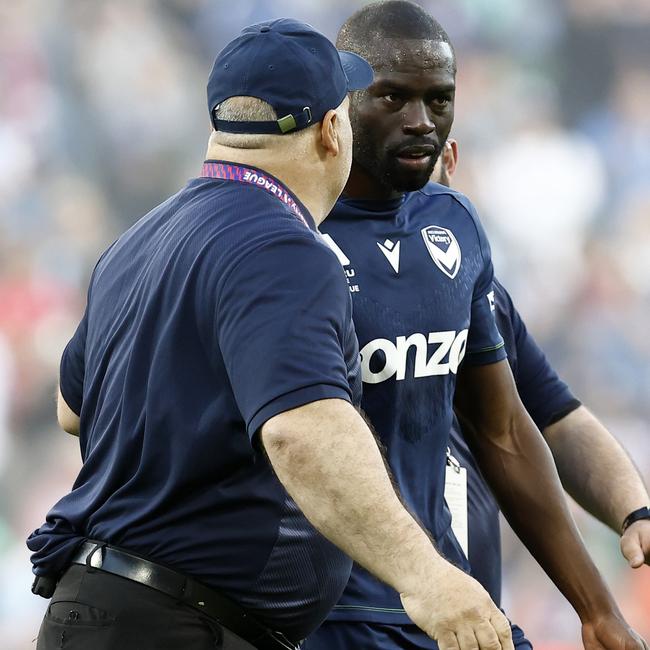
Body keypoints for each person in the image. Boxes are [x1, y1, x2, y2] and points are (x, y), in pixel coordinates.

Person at [25, 19, 497, 650]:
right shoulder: (285, 246)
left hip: (97, 606)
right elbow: (301, 429)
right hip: (178, 624)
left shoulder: (140, 238)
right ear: (334, 130)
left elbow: (71, 407)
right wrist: (427, 577)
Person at [303, 2, 648, 650]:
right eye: (393, 97)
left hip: (453, 609)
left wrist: (601, 597)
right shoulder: (286, 238)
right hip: (324, 618)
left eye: (439, 100)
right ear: (340, 104)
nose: (421, 123)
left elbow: (523, 422)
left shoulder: (454, 233)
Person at [435, 138, 650, 607]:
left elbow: (555, 415)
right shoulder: (326, 277)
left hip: (475, 615)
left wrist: (635, 510)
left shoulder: (482, 293)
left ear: (450, 161)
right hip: (368, 617)